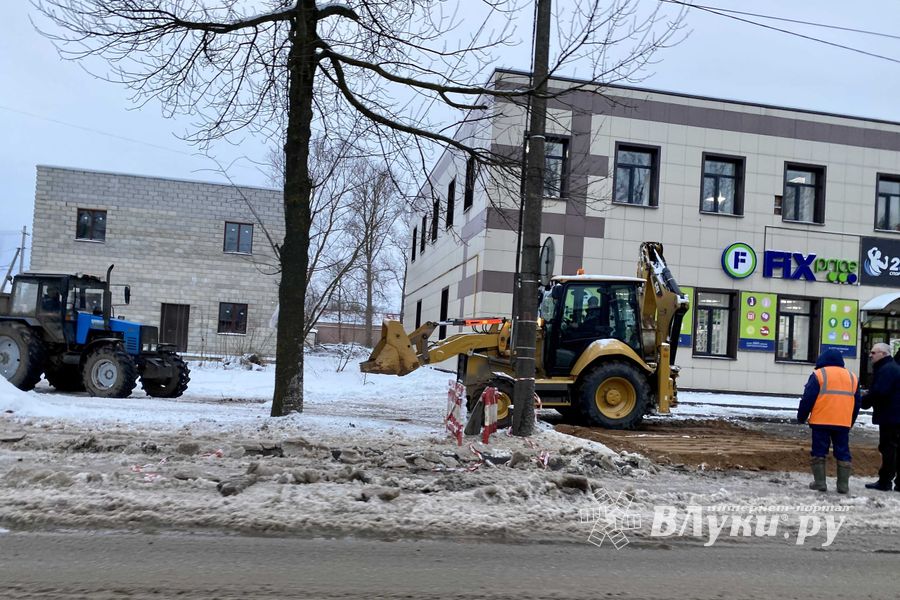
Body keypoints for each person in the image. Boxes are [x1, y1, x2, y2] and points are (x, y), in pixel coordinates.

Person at [797, 349, 861, 494]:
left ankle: (820, 483)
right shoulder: (852, 377)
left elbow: (808, 399)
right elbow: (857, 404)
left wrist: (801, 416)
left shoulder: (819, 375)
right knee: (843, 451)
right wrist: (850, 421)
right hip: (843, 422)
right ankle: (843, 485)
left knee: (819, 451)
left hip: (821, 421)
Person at [861, 342, 900, 492]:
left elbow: (879, 392)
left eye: (873, 352)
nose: (870, 355)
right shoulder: (892, 367)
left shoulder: (886, 370)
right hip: (895, 415)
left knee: (888, 448)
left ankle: (885, 481)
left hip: (890, 417)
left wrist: (862, 401)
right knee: (897, 448)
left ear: (884, 354)